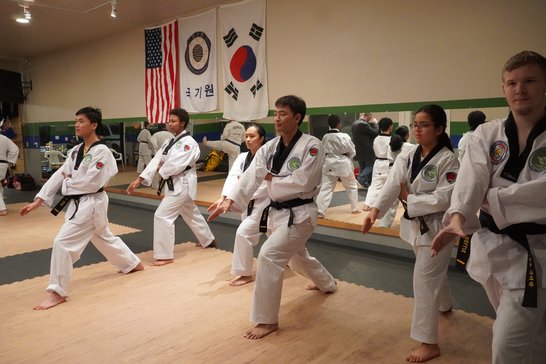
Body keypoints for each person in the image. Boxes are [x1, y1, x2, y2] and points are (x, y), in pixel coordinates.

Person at [432, 50, 546, 364]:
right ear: (503, 88)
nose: (519, 89)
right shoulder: (487, 133)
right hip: (490, 245)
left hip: (535, 253)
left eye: (529, 81)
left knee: (506, 346)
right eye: (511, 83)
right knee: (529, 336)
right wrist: (458, 214)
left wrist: (492, 198)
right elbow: (472, 178)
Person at [208, 95, 337, 340]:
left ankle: (266, 320)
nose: (277, 118)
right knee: (298, 258)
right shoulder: (269, 148)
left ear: (297, 118)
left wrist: (271, 178)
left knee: (269, 256)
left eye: (283, 114)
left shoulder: (312, 145)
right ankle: (327, 283)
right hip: (277, 212)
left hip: (301, 214)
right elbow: (250, 177)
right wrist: (229, 200)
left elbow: (303, 182)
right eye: (275, 113)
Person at [19, 106, 144, 310]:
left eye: (81, 121)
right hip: (80, 203)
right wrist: (40, 200)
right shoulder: (77, 151)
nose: (77, 125)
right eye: (76, 121)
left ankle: (57, 292)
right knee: (102, 236)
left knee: (62, 243)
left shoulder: (102, 151)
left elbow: (92, 183)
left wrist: (69, 183)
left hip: (91, 203)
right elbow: (60, 174)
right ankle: (131, 263)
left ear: (93, 125)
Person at [362, 104, 459, 363]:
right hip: (415, 226)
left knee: (424, 280)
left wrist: (410, 198)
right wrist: (374, 210)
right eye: (415, 124)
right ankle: (445, 305)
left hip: (438, 228)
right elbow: (393, 182)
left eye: (424, 125)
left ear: (439, 129)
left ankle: (428, 342)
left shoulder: (448, 159)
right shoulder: (408, 154)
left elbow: (446, 197)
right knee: (431, 271)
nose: (417, 129)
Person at [127, 108, 216, 266]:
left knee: (162, 216)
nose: (170, 123)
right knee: (190, 213)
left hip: (182, 183)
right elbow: (157, 159)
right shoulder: (169, 141)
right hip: (174, 183)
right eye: (169, 121)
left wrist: (163, 170)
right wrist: (139, 179)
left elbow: (177, 163)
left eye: (173, 121)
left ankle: (165, 255)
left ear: (183, 123)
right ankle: (208, 240)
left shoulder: (189, 143)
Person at [208, 123, 268, 286]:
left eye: (252, 136)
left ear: (261, 139)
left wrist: (233, 199)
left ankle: (244, 274)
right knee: (282, 241)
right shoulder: (242, 158)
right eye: (246, 136)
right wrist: (225, 196)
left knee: (244, 233)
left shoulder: (267, 158)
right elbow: (232, 177)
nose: (248, 139)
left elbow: (262, 185)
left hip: (265, 204)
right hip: (248, 204)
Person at [316, 114, 360, 218]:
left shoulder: (325, 137)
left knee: (326, 187)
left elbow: (322, 151)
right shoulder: (344, 136)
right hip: (344, 162)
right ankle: (355, 208)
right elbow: (352, 150)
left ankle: (320, 211)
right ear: (339, 124)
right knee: (351, 186)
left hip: (329, 163)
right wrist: (349, 156)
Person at [377, 125, 413, 228]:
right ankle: (415, 221)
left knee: (391, 200)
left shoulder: (391, 145)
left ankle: (384, 225)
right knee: (410, 198)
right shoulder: (410, 147)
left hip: (391, 172)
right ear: (407, 135)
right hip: (405, 173)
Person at [363, 117, 393, 211]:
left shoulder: (376, 138)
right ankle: (382, 205)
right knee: (389, 186)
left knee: (375, 185)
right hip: (388, 163)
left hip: (378, 162)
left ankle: (367, 204)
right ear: (390, 127)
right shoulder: (391, 140)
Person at [352, 112, 379, 189]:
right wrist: (375, 124)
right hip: (366, 150)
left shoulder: (355, 123)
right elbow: (375, 133)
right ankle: (361, 179)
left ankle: (362, 183)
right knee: (371, 165)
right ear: (369, 116)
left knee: (362, 166)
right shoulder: (364, 124)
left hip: (358, 150)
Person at [150, 123, 173, 189]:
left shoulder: (156, 134)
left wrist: (155, 153)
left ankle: (155, 186)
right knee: (167, 170)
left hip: (159, 155)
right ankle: (167, 185)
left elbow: (153, 144)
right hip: (168, 155)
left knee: (156, 170)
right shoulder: (171, 134)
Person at [0, 133, 19, 216]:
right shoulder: (4, 138)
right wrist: (10, 161)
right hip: (3, 164)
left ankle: (2, 209)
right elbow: (15, 149)